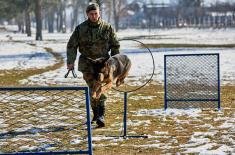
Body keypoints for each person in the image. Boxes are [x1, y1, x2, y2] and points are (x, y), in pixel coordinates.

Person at [66, 3, 120, 128]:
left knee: (100, 87)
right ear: (87, 14)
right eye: (91, 14)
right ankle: (96, 112)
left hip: (103, 64)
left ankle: (101, 115)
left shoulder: (107, 28)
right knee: (93, 88)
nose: (94, 16)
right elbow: (72, 45)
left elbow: (115, 45)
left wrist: (114, 61)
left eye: (96, 13)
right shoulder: (80, 29)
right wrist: (70, 62)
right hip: (88, 64)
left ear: (99, 13)